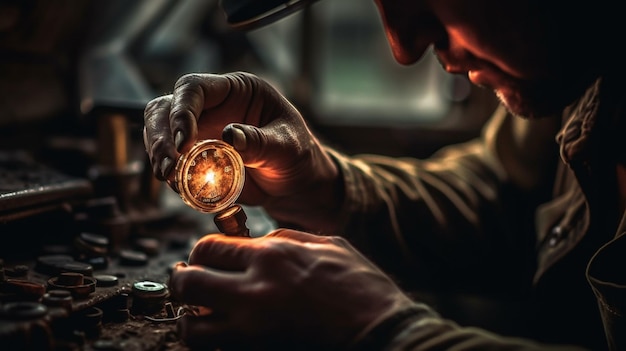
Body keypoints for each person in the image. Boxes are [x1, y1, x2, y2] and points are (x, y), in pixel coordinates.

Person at [143, 0, 626, 350]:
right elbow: (503, 192)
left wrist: (385, 332)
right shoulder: (583, 76)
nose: (404, 49)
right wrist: (327, 185)